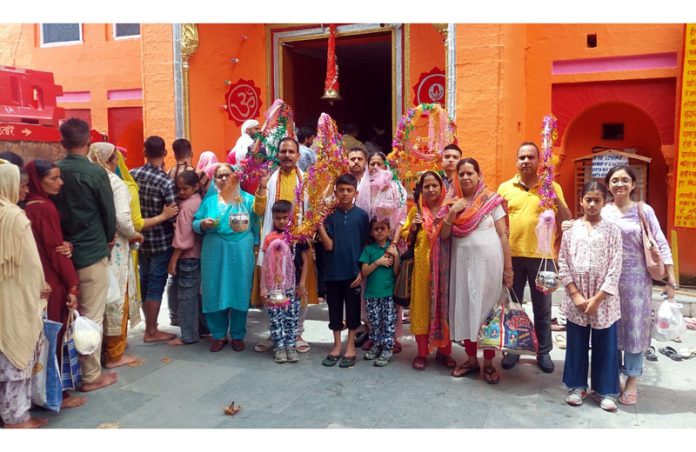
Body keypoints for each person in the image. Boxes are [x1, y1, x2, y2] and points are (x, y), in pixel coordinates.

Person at [601, 164, 677, 406]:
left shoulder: (644, 211)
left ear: (633, 185)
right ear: (608, 185)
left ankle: (632, 379)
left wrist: (671, 278)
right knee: (610, 327)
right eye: (615, 180)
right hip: (609, 280)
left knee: (634, 329)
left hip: (637, 280)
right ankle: (611, 375)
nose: (620, 184)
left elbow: (661, 242)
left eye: (625, 180)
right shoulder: (603, 211)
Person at [54, 118, 118, 392]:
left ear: (62, 143)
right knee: (92, 316)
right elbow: (108, 213)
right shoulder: (95, 173)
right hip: (92, 251)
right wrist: (108, 241)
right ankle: (91, 375)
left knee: (67, 315)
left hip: (61, 252)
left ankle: (67, 373)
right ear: (89, 143)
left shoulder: (55, 172)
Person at [497, 141, 571, 373]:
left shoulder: (551, 187)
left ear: (539, 161)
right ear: (516, 161)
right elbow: (495, 221)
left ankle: (544, 351)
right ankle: (513, 350)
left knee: (543, 308)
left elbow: (566, 220)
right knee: (512, 307)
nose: (526, 161)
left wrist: (552, 194)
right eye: (522, 157)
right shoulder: (505, 188)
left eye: (531, 157)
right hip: (512, 257)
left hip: (543, 258)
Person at [23, 160, 88, 409]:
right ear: (39, 180)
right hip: (51, 281)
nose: (60, 182)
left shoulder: (26, 207)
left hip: (34, 280)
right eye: (53, 178)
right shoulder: (44, 208)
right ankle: (55, 394)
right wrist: (72, 285)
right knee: (55, 337)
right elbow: (54, 249)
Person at [441, 158, 512, 384]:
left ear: (479, 175)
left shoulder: (491, 201)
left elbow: (503, 235)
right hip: (462, 268)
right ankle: (471, 360)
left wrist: (508, 269)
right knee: (466, 310)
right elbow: (442, 236)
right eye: (461, 173)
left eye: (470, 173)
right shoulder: (452, 203)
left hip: (490, 267)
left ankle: (489, 363)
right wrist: (453, 214)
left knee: (486, 314)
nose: (465, 177)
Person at [559, 181, 623, 412]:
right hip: (577, 298)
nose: (593, 204)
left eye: (598, 200)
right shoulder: (572, 229)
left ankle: (605, 390)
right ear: (581, 201)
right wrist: (575, 294)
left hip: (604, 300)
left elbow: (616, 266)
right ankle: (576, 386)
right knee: (576, 343)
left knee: (605, 345)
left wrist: (598, 299)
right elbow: (563, 262)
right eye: (589, 199)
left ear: (604, 202)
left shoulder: (613, 231)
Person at [193, 163, 267, 352]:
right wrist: (202, 223)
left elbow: (260, 212)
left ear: (236, 177)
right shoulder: (209, 202)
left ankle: (237, 335)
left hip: (241, 250)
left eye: (227, 175)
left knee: (240, 290)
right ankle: (218, 335)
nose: (224, 179)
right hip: (214, 250)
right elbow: (195, 221)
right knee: (214, 289)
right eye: (219, 176)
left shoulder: (248, 200)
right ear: (215, 180)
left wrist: (263, 186)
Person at [0, 160, 49, 428]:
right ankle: (17, 420)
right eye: (22, 185)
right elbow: (31, 265)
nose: (26, 191)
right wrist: (41, 288)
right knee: (17, 347)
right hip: (16, 294)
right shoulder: (15, 217)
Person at [255, 137, 315, 354]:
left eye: (291, 151)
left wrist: (307, 232)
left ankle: (297, 332)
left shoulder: (306, 179)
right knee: (272, 286)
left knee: (299, 288)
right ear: (277, 154)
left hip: (297, 242)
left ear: (298, 155)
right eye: (283, 151)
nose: (287, 155)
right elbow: (259, 211)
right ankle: (275, 332)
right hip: (273, 242)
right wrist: (261, 190)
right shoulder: (270, 180)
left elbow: (312, 210)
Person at [87, 143, 144, 368]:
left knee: (95, 299)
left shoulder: (87, 179)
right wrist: (134, 234)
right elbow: (122, 219)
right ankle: (115, 354)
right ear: (110, 160)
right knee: (117, 296)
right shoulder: (115, 183)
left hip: (92, 245)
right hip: (116, 246)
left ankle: (96, 350)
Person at [400, 171, 456, 371]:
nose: (431, 190)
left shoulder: (448, 210)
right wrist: (413, 228)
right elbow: (405, 236)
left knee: (444, 309)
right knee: (422, 310)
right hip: (422, 270)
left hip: (445, 270)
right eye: (426, 186)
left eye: (435, 186)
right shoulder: (415, 211)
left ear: (442, 188)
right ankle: (422, 353)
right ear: (421, 190)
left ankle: (445, 352)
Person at [317, 173, 370, 368]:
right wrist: (319, 224)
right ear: (335, 192)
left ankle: (350, 346)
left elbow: (366, 244)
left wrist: (361, 271)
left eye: (349, 190)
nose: (345, 193)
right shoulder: (329, 215)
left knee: (354, 309)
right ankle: (337, 345)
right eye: (341, 190)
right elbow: (328, 246)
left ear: (355, 192)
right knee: (335, 309)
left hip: (353, 272)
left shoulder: (362, 216)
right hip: (332, 272)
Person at [130, 136, 179, 343]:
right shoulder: (166, 181)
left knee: (145, 280)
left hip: (140, 240)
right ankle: (151, 330)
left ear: (144, 152)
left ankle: (151, 326)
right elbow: (173, 212)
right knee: (156, 283)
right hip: (160, 240)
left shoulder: (133, 174)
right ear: (165, 153)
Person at [259, 200, 309, 364]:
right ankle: (279, 347)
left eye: (285, 218)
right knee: (275, 318)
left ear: (291, 217)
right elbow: (265, 265)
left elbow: (306, 261)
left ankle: (290, 346)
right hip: (274, 289)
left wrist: (301, 284)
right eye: (277, 218)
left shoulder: (298, 237)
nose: (281, 221)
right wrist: (263, 287)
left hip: (292, 287)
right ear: (272, 218)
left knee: (291, 318)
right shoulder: (269, 238)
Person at [167, 171, 205, 346]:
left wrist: (173, 259)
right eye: (179, 189)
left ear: (196, 186)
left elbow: (184, 239)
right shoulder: (198, 202)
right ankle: (202, 328)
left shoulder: (187, 207)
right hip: (198, 255)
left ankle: (188, 335)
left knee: (187, 297)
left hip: (188, 257)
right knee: (197, 294)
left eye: (185, 188)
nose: (181, 192)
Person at [359, 218, 400, 367]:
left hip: (388, 294)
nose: (380, 231)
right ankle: (376, 345)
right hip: (371, 295)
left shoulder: (392, 249)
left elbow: (396, 273)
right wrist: (378, 262)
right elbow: (364, 271)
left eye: (383, 228)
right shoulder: (369, 249)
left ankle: (388, 348)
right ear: (371, 232)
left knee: (388, 323)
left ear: (389, 230)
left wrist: (395, 256)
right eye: (376, 229)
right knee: (375, 322)